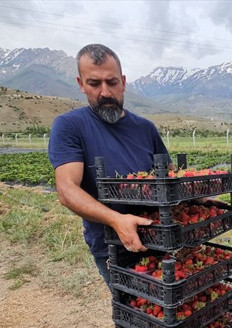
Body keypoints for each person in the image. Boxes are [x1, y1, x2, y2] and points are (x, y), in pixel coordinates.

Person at [48, 44, 168, 286]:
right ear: (81, 84)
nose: (105, 92)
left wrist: (196, 197)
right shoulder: (70, 126)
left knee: (176, 313)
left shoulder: (145, 128)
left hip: (161, 238)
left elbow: (169, 177)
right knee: (139, 316)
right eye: (94, 83)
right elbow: (67, 189)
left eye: (112, 82)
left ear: (123, 82)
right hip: (114, 246)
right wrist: (116, 220)